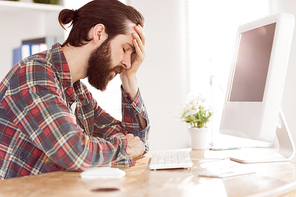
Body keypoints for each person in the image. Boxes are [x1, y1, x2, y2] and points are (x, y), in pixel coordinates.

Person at [0, 0, 149, 179]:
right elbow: (73, 152)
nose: (127, 63)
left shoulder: (79, 93)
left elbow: (137, 142)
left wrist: (130, 78)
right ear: (99, 33)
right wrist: (124, 148)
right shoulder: (33, 73)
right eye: (125, 49)